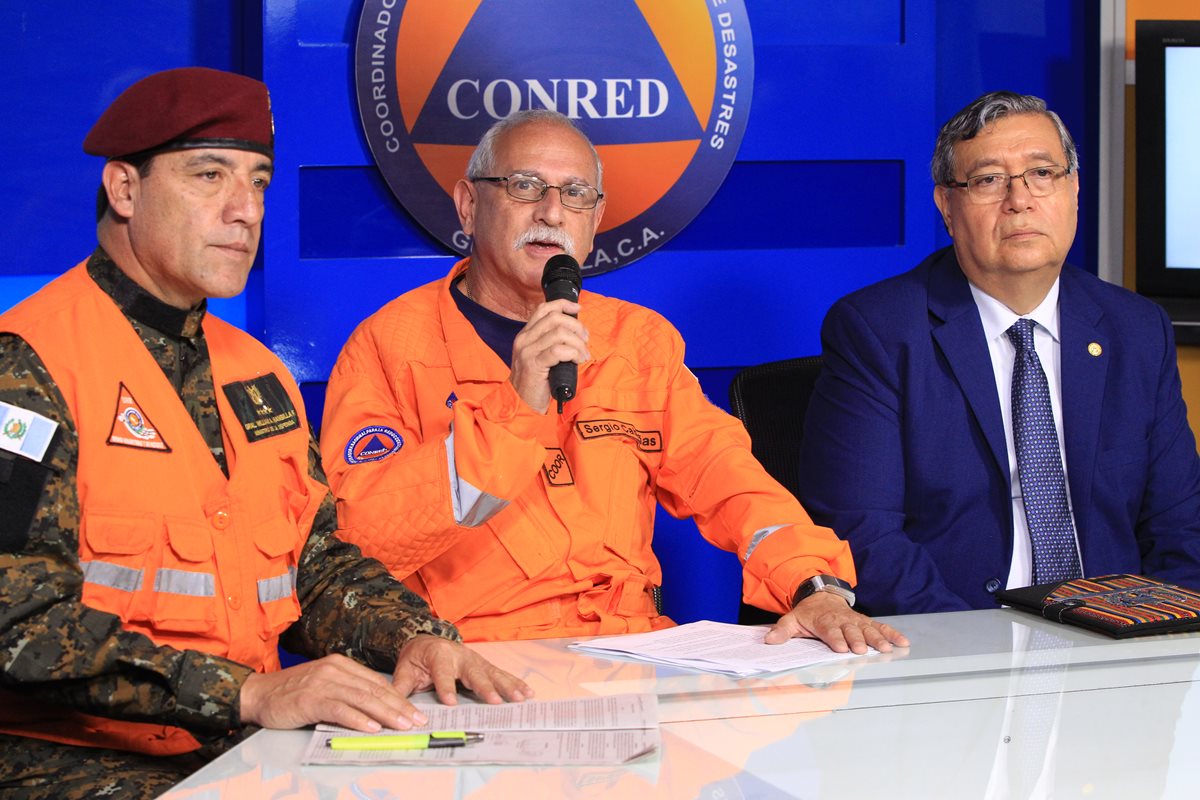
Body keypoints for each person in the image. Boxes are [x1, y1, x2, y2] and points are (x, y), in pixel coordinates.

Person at [0, 67, 530, 799]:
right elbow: (16, 621)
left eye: (258, 182)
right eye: (208, 175)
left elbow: (317, 564)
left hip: (238, 747)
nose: (244, 210)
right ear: (124, 189)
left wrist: (414, 636)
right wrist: (246, 693)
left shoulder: (258, 374)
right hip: (64, 758)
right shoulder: (27, 364)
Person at [320, 109, 908, 653]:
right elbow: (360, 542)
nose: (552, 212)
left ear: (596, 220)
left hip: (631, 652)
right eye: (525, 186)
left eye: (575, 194)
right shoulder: (389, 348)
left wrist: (813, 585)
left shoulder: (637, 340)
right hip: (472, 657)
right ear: (469, 205)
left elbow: (729, 480)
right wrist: (514, 411)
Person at [798, 90, 1200, 616]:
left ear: (1074, 189)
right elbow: (864, 532)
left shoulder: (1137, 328)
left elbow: (1180, 527)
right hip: (956, 630)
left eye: (1042, 173)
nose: (1020, 200)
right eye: (989, 180)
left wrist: (1164, 632)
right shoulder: (878, 331)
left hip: (1112, 630)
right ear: (946, 205)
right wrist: (979, 647)